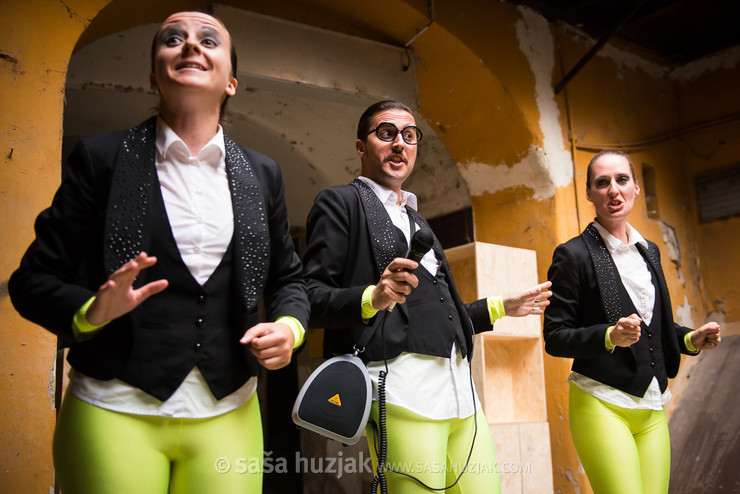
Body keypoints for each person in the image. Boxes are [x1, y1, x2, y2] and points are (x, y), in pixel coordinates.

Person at [8, 11, 309, 494]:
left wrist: (290, 329)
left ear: (231, 81)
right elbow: (31, 281)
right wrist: (91, 311)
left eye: (208, 39)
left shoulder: (262, 173)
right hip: (113, 408)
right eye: (173, 39)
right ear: (153, 75)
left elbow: (288, 280)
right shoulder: (100, 159)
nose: (191, 45)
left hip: (229, 411)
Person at [301, 100, 552, 493]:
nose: (399, 143)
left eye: (409, 136)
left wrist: (504, 306)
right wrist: (373, 296)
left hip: (461, 394)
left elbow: (440, 315)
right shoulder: (340, 203)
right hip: (400, 392)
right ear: (361, 147)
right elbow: (312, 297)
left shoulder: (418, 220)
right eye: (386, 133)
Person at [543, 149, 721, 494]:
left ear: (636, 188)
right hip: (601, 400)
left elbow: (658, 327)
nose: (614, 190)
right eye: (602, 182)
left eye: (622, 180)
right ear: (589, 193)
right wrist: (609, 336)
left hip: (652, 401)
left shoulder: (649, 250)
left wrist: (689, 340)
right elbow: (555, 336)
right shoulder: (573, 254)